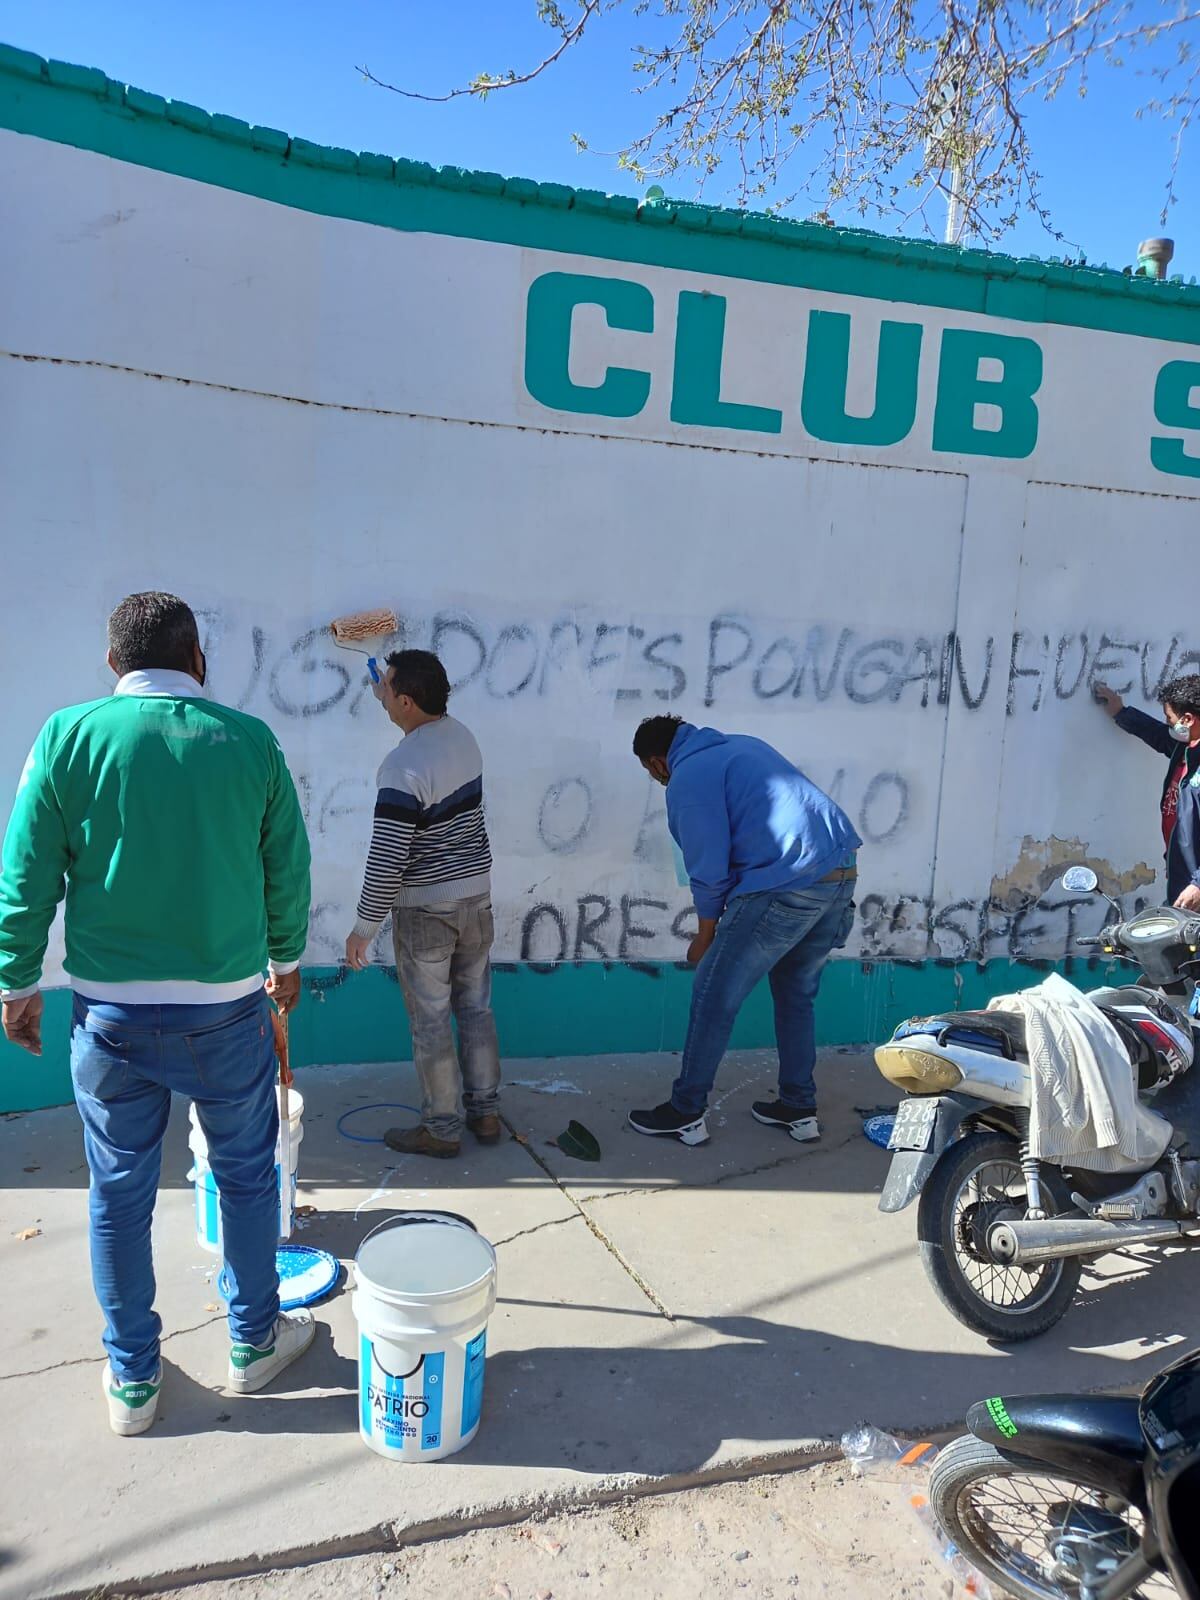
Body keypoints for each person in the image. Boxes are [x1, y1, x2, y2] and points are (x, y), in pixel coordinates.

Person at [0, 593, 314, 1436]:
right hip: (226, 1015)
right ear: (198, 659)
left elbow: (26, 870)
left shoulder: (67, 738)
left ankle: (133, 1381)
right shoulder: (251, 743)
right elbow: (287, 868)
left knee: (118, 1194)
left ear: (113, 666)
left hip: (109, 1021)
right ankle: (253, 1343)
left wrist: (16, 982)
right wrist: (285, 965)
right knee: (248, 1180)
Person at [627, 715, 861, 1146]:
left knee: (713, 993)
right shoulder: (740, 747)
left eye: (649, 772)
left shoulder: (688, 777)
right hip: (839, 872)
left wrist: (705, 933)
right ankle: (798, 1106)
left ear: (658, 761)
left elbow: (709, 865)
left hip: (787, 881)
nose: (656, 779)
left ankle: (685, 1111)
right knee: (796, 995)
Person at [344, 649, 500, 1159]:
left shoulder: (401, 767)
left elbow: (387, 857)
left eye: (387, 690)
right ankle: (486, 1112)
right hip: (476, 900)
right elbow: (412, 718)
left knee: (431, 1021)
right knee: (475, 1010)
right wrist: (386, 691)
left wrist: (363, 927)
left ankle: (441, 1128)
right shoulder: (464, 737)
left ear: (406, 700)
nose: (383, 695)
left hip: (427, 912)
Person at [1095, 673, 1200, 912]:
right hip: (1182, 878)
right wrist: (1121, 713)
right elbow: (1159, 736)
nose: (1168, 724)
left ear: (1188, 719)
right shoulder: (1186, 747)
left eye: (1170, 718)